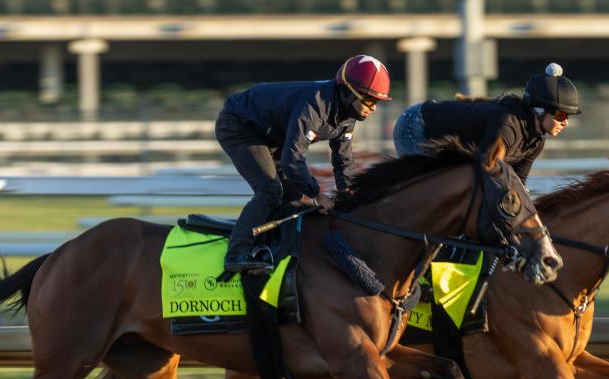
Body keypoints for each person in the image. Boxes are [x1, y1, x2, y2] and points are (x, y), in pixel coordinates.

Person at [218, 55, 392, 273]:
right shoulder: (315, 105)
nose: (373, 108)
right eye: (370, 100)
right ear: (350, 92)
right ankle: (235, 255)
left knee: (294, 199)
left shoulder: (347, 115)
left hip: (271, 134)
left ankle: (273, 252)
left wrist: (348, 194)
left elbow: (343, 159)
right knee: (270, 190)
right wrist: (317, 194)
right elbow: (293, 160)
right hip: (240, 126)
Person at [393, 62, 581, 184]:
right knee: (435, 188)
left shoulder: (536, 143)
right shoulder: (507, 127)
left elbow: (518, 184)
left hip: (434, 135)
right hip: (417, 124)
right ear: (540, 111)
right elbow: (483, 175)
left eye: (568, 117)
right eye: (562, 116)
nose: (565, 122)